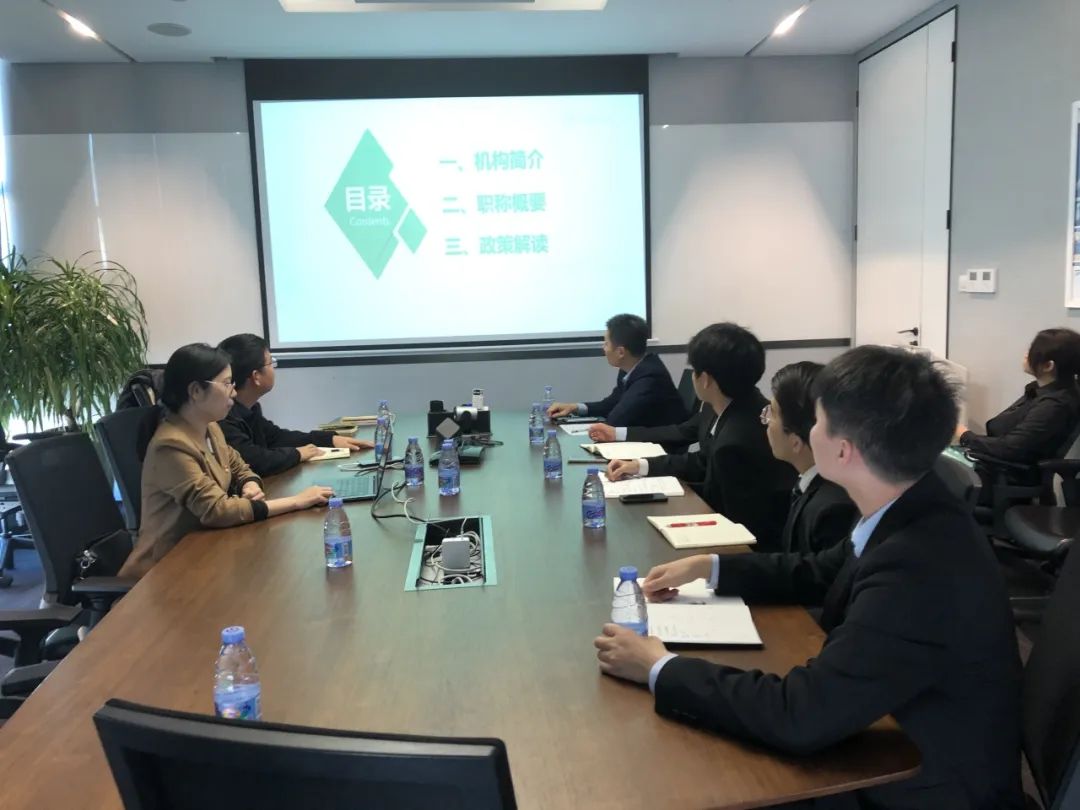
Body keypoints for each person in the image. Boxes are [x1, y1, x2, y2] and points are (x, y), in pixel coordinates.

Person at [594, 346, 1024, 809]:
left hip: (919, 783)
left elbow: (800, 715)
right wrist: (711, 565)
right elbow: (819, 569)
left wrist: (659, 667)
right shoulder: (909, 503)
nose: (805, 429)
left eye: (816, 420)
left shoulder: (917, 567)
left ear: (842, 449)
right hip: (892, 729)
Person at [119, 344, 333, 580]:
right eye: (226, 383)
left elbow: (238, 464)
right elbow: (217, 510)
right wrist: (297, 501)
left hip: (205, 556)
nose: (233, 392)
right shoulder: (170, 446)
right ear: (196, 391)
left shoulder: (209, 427)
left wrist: (249, 483)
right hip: (164, 573)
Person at [606, 323, 795, 545]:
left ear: (705, 379)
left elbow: (734, 519)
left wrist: (661, 502)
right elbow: (701, 461)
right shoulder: (721, 405)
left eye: (694, 370)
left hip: (748, 543)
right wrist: (641, 466)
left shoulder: (737, 440)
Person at [218, 333, 373, 477]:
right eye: (271, 363)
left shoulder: (250, 408)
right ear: (256, 376)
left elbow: (277, 437)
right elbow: (255, 460)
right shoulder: (223, 417)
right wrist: (298, 454)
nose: (274, 368)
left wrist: (328, 440)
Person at [762, 362, 856, 554]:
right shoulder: (810, 481)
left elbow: (811, 570)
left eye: (772, 414)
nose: (765, 421)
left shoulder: (832, 509)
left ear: (796, 442)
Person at [956, 327, 1080, 466]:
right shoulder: (1039, 391)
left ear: (1048, 366)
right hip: (995, 461)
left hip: (1005, 472)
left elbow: (1011, 448)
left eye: (1032, 350)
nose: (1026, 354)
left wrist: (965, 436)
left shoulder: (1055, 405)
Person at [546, 314, 686, 428]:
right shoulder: (631, 369)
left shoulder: (650, 377)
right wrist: (574, 407)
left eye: (606, 343)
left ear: (621, 352)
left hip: (659, 448)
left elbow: (617, 419)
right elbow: (611, 404)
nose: (604, 348)